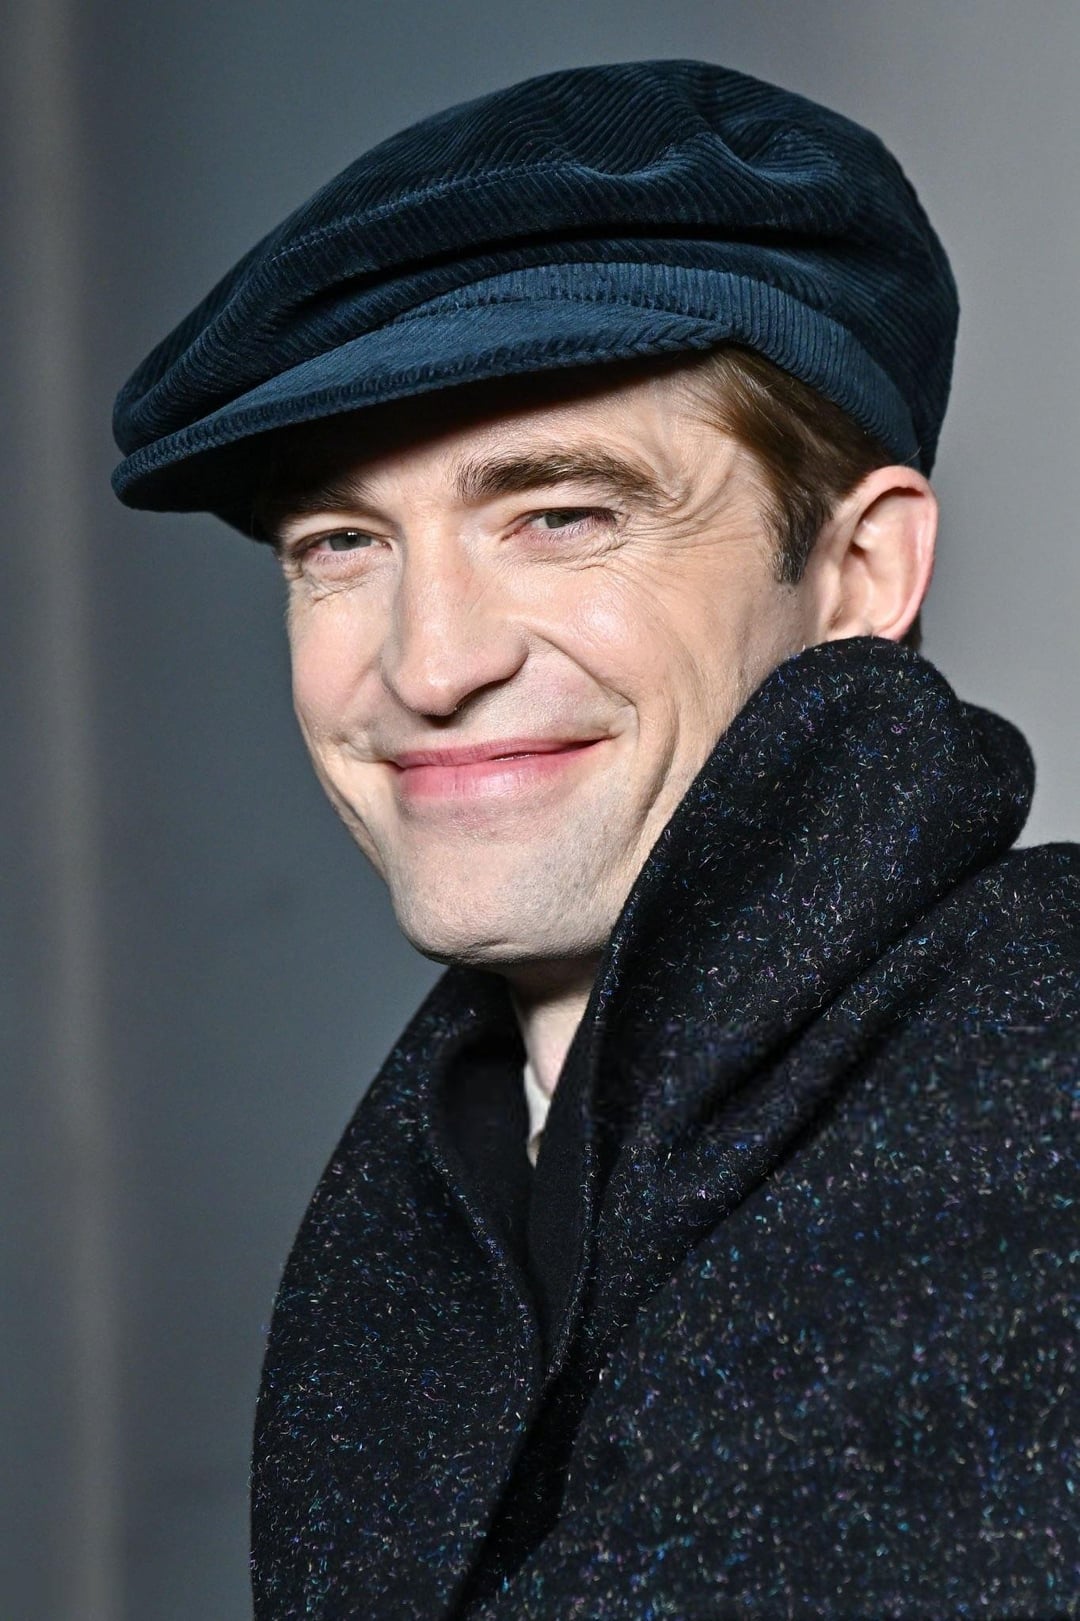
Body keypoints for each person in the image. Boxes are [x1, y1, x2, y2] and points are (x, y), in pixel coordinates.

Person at [111, 59, 1078, 1620]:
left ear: (859, 569)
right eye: (343, 542)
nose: (428, 664)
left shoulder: (1039, 1076)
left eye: (561, 514)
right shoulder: (432, 1186)